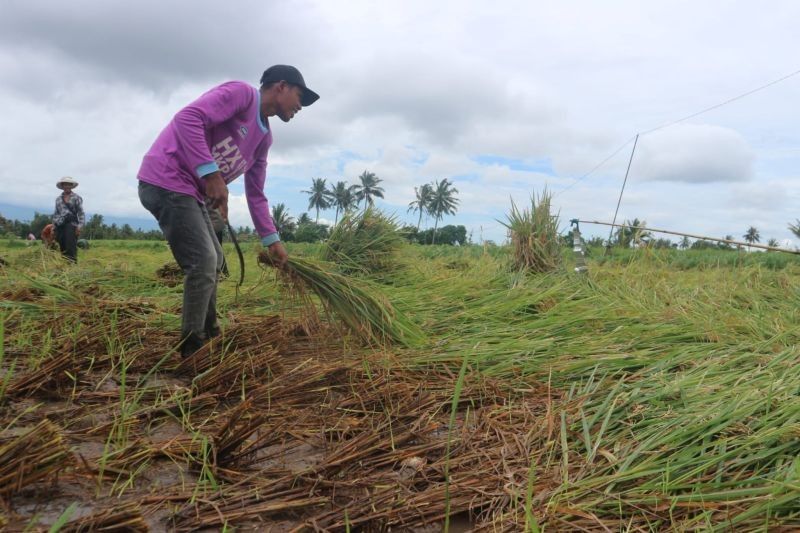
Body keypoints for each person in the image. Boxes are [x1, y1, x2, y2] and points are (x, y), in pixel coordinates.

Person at [137, 65, 319, 357]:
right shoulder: (241, 95)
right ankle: (192, 347)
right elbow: (188, 118)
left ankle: (209, 330)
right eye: (300, 96)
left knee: (216, 260)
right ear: (281, 87)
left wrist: (272, 242)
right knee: (203, 261)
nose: (300, 106)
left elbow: (256, 194)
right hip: (166, 179)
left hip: (190, 193)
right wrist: (212, 175)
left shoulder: (264, 138)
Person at [52, 177, 85, 262]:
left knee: (70, 246)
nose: (67, 186)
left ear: (71, 186)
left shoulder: (76, 198)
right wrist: (53, 227)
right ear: (62, 186)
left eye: (68, 184)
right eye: (65, 184)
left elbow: (81, 213)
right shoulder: (58, 199)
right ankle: (64, 265)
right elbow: (56, 214)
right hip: (60, 225)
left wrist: (79, 226)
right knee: (62, 246)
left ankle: (72, 266)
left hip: (71, 225)